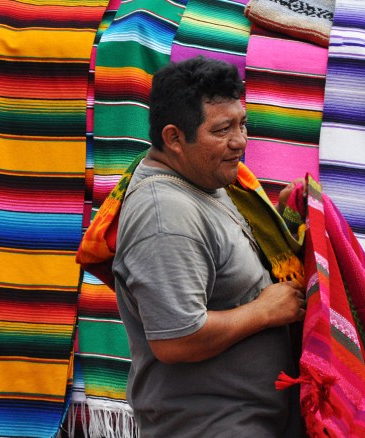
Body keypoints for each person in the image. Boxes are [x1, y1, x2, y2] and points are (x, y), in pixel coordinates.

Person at [112, 56, 306, 437]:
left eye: (242, 124)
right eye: (222, 130)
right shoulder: (164, 214)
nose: (240, 142)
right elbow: (176, 340)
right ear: (174, 138)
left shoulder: (206, 180)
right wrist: (264, 312)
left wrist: (292, 222)